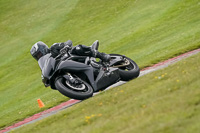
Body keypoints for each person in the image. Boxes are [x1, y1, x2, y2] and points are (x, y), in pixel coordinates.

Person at [30, 40, 110, 62]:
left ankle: (101, 55)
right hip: (66, 67)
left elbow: (68, 42)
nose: (39, 57)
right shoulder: (46, 64)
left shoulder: (54, 47)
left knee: (78, 48)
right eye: (37, 56)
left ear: (43, 49)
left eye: (39, 54)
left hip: (74, 57)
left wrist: (66, 46)